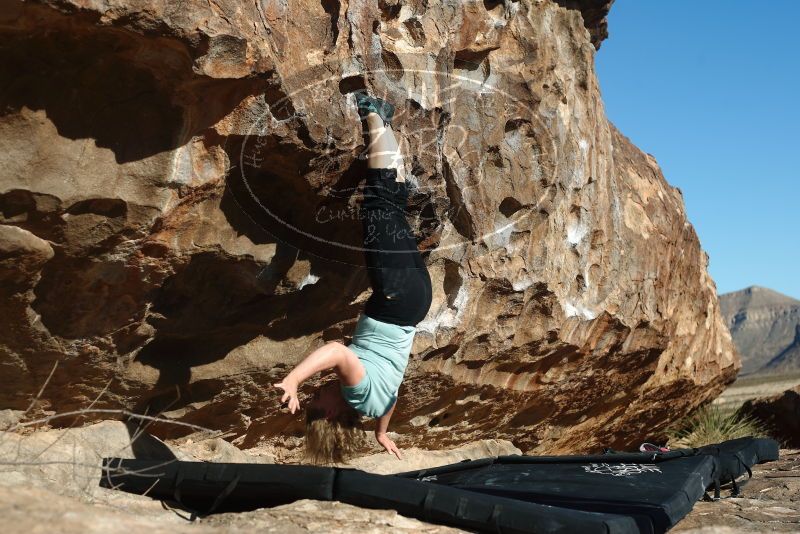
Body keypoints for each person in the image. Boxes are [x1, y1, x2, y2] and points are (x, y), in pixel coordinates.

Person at [274, 91, 433, 464]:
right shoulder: (357, 394)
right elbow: (336, 352)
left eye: (310, 394)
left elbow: (392, 399)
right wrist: (295, 380)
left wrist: (381, 430)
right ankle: (374, 114)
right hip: (395, 299)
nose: (317, 393)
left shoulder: (371, 403)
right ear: (331, 413)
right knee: (379, 205)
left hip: (414, 303)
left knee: (391, 206)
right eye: (316, 399)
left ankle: (386, 123)